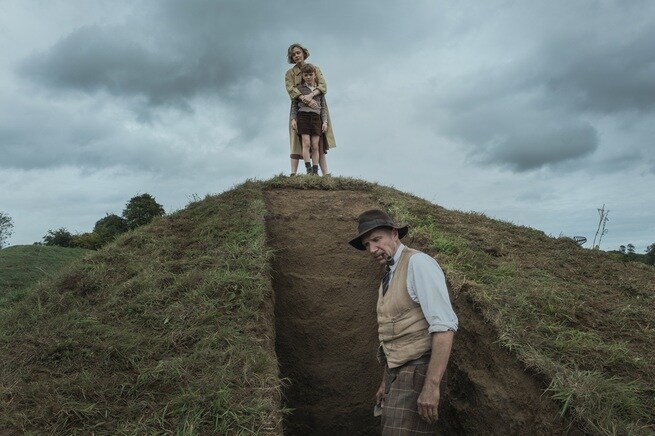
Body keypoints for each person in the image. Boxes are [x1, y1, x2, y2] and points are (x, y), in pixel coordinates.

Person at [349, 209, 458, 434]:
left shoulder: (418, 263)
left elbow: (444, 327)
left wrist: (431, 386)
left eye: (377, 240)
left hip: (419, 373)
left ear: (394, 234)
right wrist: (386, 381)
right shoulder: (389, 275)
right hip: (400, 374)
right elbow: (396, 334)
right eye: (367, 244)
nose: (372, 249)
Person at [284, 43, 336, 175]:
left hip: (317, 104)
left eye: (298, 52)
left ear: (303, 53)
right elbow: (291, 89)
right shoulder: (290, 73)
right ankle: (294, 173)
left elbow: (323, 86)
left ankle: (325, 173)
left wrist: (312, 95)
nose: (296, 56)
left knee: (318, 141)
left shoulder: (315, 69)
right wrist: (304, 98)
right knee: (298, 140)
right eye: (293, 54)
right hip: (299, 107)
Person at [290, 63, 328, 175]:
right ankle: (308, 169)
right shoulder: (299, 89)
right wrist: (293, 119)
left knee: (315, 145)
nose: (308, 77)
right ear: (302, 76)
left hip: (316, 118)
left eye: (310, 75)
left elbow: (323, 107)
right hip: (303, 116)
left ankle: (315, 171)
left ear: (314, 75)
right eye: (305, 75)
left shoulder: (319, 90)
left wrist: (325, 121)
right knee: (306, 143)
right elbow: (294, 105)